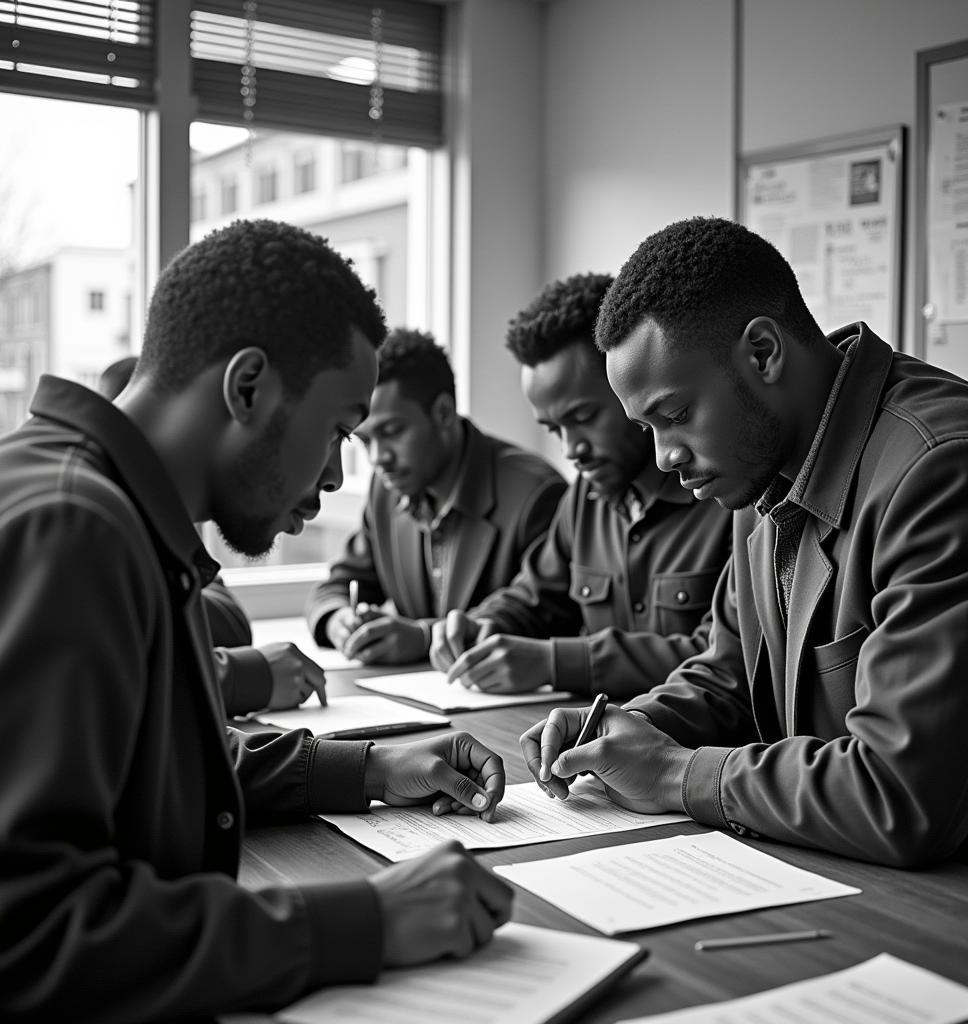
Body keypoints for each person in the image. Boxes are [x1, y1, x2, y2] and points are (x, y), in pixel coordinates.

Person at [0, 219, 514, 1024]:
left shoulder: (105, 508)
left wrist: (371, 769)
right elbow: (29, 931)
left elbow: (148, 758)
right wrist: (372, 920)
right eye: (340, 429)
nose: (339, 474)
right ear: (247, 389)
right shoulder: (77, 529)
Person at [522, 216, 968, 881]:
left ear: (762, 352)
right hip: (837, 873)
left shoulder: (946, 471)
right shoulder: (759, 464)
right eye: (645, 428)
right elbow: (728, 676)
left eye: (674, 416)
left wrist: (674, 773)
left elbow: (899, 795)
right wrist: (619, 731)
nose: (665, 457)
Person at [430, 272, 732, 698]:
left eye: (584, 418)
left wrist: (555, 663)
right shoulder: (585, 496)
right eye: (554, 429)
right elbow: (534, 596)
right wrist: (483, 626)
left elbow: (721, 654)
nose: (572, 449)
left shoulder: (727, 492)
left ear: (628, 386)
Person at [306, 328, 566, 665]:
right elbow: (339, 583)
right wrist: (338, 619)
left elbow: (540, 615)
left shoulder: (536, 494)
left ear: (443, 413)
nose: (378, 458)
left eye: (391, 432)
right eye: (366, 440)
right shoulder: (384, 491)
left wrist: (424, 638)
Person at [98, 355, 325, 715]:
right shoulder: (84, 522)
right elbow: (114, 693)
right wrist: (242, 677)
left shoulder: (165, 518)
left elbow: (231, 625)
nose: (333, 478)